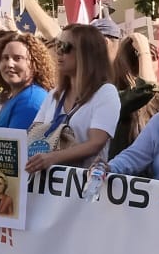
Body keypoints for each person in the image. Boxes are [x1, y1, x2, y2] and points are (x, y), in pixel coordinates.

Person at [28, 22, 122, 168]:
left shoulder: (106, 92)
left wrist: (53, 158)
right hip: (47, 181)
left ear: (87, 53)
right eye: (58, 45)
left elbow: (95, 143)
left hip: (81, 182)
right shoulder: (54, 94)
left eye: (65, 47)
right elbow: (34, 132)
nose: (58, 51)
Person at [0, 31, 55, 132]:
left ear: (34, 63)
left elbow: (13, 145)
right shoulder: (17, 96)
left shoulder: (30, 100)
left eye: (18, 58)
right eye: (5, 58)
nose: (9, 64)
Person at [110, 29, 159, 155]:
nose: (151, 64)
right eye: (150, 58)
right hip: (120, 170)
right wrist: (143, 52)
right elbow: (147, 87)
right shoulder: (114, 97)